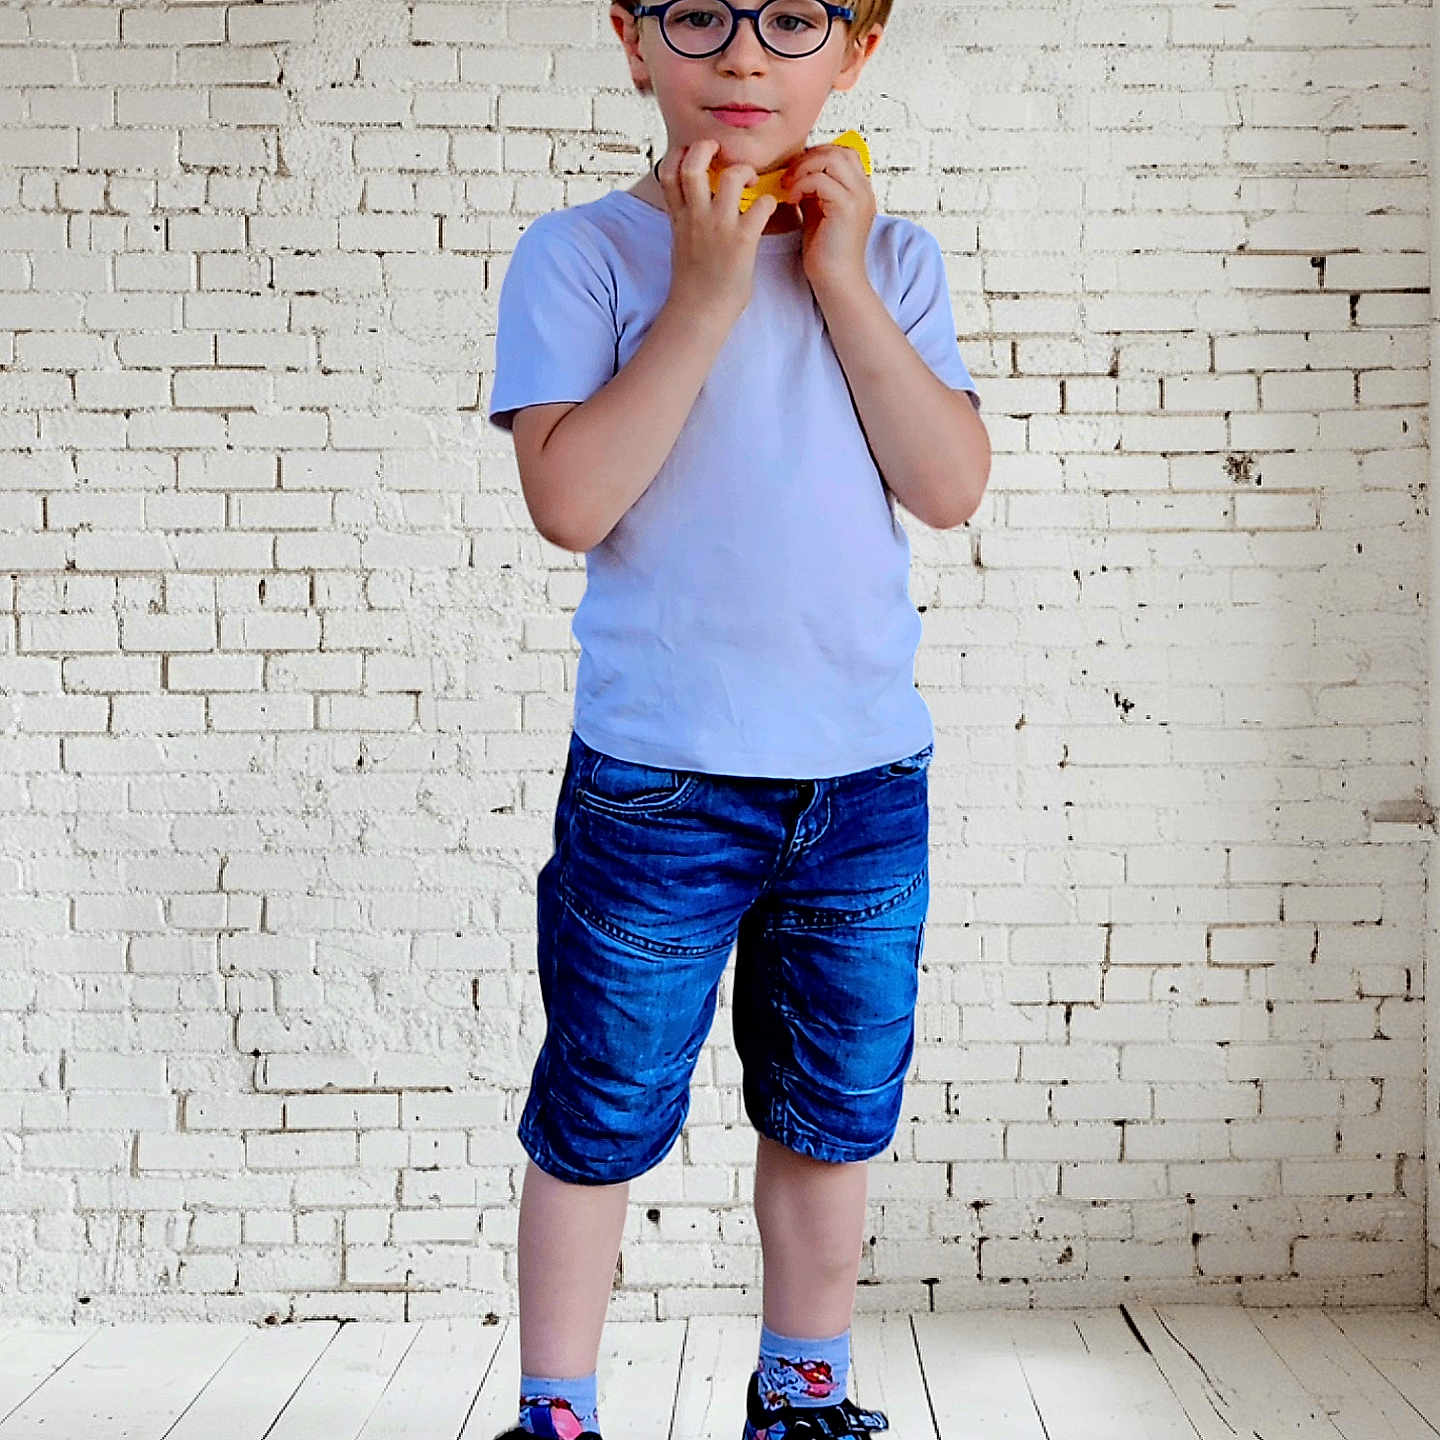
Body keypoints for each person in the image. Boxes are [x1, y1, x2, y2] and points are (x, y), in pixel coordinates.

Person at [485, 0, 990, 1434]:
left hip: (862, 783)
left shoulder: (890, 258)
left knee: (831, 1115)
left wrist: (840, 284)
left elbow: (949, 484)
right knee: (603, 1110)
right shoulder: (580, 256)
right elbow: (572, 502)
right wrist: (706, 291)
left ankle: (801, 1392)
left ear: (858, 49)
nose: (747, 57)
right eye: (702, 18)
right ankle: (557, 1410)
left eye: (793, 19)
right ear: (636, 44)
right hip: (662, 783)